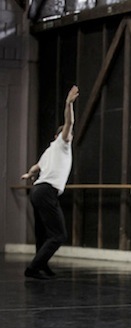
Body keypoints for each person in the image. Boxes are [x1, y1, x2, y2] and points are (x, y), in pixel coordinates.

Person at [21, 85, 80, 280]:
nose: (69, 136)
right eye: (67, 134)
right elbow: (69, 122)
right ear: (59, 136)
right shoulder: (61, 145)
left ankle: (41, 265)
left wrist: (28, 175)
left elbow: (36, 167)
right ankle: (33, 268)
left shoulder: (49, 150)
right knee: (58, 235)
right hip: (46, 192)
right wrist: (68, 103)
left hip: (37, 190)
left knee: (43, 232)